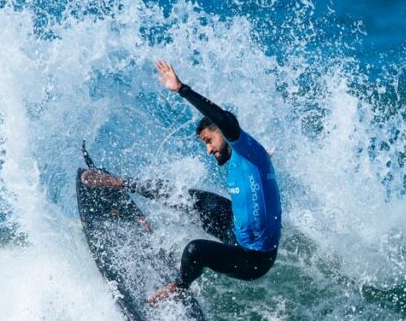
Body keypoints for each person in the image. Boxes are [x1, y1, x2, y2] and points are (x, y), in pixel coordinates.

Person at [82, 60, 282, 304]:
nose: (208, 150)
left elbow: (225, 119)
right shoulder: (247, 159)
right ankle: (120, 183)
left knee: (195, 250)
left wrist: (181, 89)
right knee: (188, 197)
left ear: (222, 131)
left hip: (253, 257)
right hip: (236, 230)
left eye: (209, 140)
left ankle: (179, 287)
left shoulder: (248, 151)